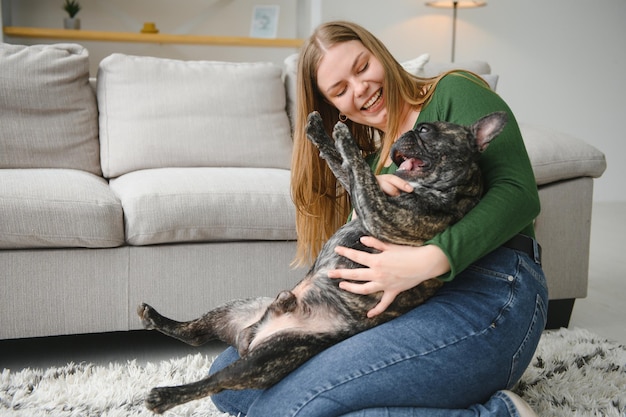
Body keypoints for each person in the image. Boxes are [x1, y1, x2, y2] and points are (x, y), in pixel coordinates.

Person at [209, 20, 548, 417]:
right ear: (332, 106)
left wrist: (428, 261)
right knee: (229, 385)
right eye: (340, 90)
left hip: (492, 290)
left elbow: (519, 195)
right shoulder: (372, 166)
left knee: (284, 409)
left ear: (380, 53)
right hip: (406, 308)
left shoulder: (452, 94)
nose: (360, 89)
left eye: (362, 67)